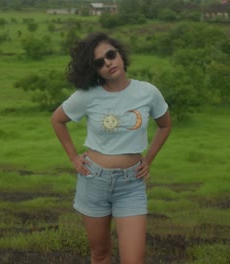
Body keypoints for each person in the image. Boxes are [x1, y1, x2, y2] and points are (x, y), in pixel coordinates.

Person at [51, 32, 172, 264]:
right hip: (94, 180)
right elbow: (57, 120)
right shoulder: (87, 95)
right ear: (95, 70)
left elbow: (165, 125)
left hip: (131, 184)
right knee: (100, 254)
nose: (108, 62)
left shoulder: (147, 92)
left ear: (120, 55)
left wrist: (149, 159)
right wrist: (73, 157)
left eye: (110, 55)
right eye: (99, 62)